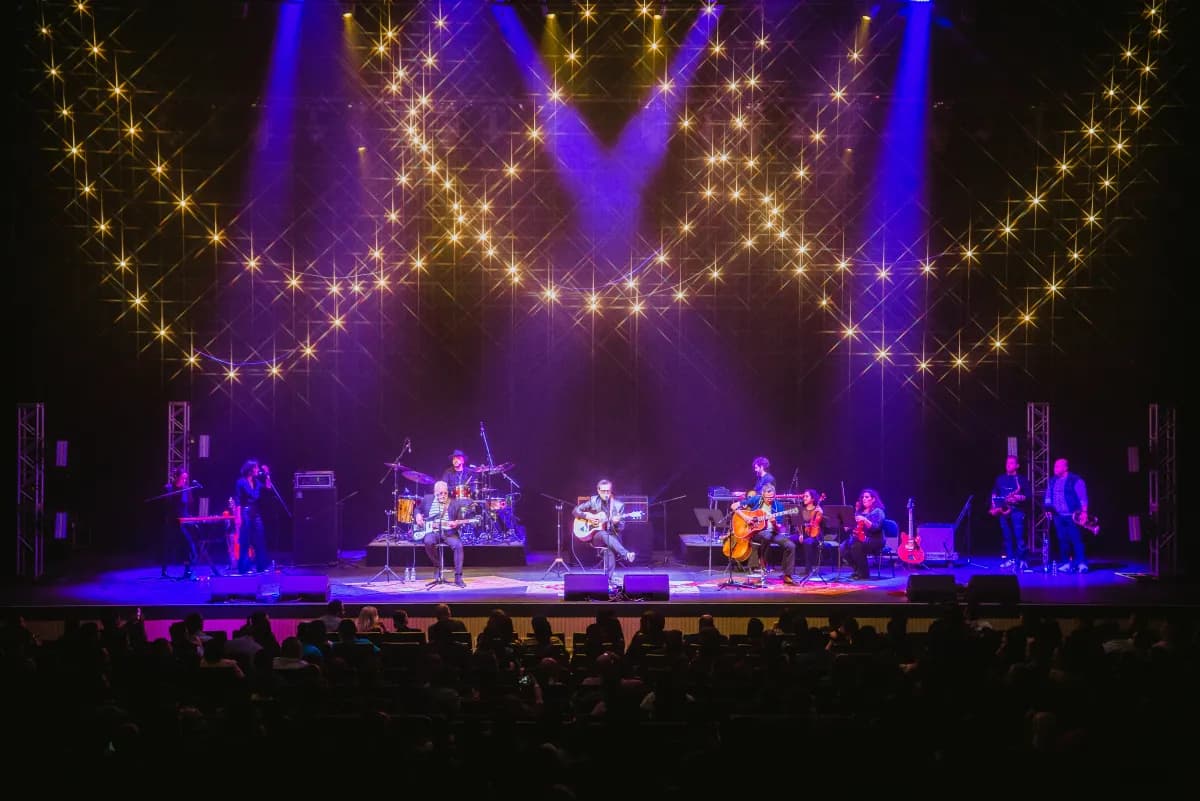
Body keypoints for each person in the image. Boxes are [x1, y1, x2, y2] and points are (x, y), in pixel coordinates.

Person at [730, 482, 797, 583]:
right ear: (762, 495)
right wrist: (746, 517)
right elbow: (734, 506)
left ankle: (787, 575)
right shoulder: (756, 499)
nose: (770, 499)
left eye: (772, 497)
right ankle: (762, 563)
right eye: (767, 497)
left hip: (772, 532)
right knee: (766, 536)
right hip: (756, 532)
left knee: (790, 545)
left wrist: (774, 523)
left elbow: (778, 529)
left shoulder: (779, 506)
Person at [573, 479, 636, 583]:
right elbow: (575, 511)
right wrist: (587, 516)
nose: (606, 493)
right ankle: (625, 554)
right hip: (595, 536)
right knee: (603, 534)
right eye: (603, 491)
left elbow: (621, 528)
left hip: (612, 537)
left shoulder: (619, 505)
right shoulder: (593, 501)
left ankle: (608, 580)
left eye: (608, 491)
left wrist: (615, 524)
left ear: (611, 491)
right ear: (598, 490)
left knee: (609, 548)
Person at [415, 480, 472, 587]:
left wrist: (456, 524)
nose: (443, 495)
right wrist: (418, 515)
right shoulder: (427, 499)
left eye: (445, 493)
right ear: (435, 492)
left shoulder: (454, 503)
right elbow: (417, 509)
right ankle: (437, 565)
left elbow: (460, 519)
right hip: (432, 532)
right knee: (428, 541)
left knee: (458, 545)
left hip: (448, 532)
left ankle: (458, 577)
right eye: (440, 493)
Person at [1043, 457, 1090, 573]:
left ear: (1066, 467)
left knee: (1076, 539)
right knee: (1062, 539)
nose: (1055, 468)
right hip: (1058, 516)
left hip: (1073, 516)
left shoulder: (1075, 480)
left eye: (1058, 466)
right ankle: (1066, 563)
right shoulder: (1052, 481)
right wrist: (1048, 509)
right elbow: (1048, 496)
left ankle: (1082, 563)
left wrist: (1084, 512)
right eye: (1055, 466)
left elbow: (1083, 497)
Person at [991, 455, 1030, 570]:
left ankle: (1022, 560)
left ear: (1017, 466)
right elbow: (994, 492)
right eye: (1007, 462)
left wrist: (1019, 497)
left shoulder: (1022, 479)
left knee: (1019, 537)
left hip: (1017, 511)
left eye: (1012, 463)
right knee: (1007, 537)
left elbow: (1029, 495)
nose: (1008, 465)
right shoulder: (1000, 478)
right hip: (1003, 510)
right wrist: (994, 504)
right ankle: (1010, 559)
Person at [234, 459, 272, 574]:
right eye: (255, 468)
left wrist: (267, 474)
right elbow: (238, 500)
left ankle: (261, 566)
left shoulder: (256, 482)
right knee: (245, 540)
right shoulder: (240, 482)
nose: (257, 470)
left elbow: (268, 487)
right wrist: (238, 516)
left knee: (260, 539)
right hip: (245, 511)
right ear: (250, 470)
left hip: (256, 513)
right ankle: (244, 568)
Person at [843, 488, 885, 580]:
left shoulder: (878, 511)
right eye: (863, 497)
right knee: (843, 547)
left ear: (873, 499)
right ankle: (857, 569)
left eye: (867, 497)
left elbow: (876, 527)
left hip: (875, 539)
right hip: (860, 538)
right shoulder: (859, 512)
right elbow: (856, 526)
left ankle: (864, 573)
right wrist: (849, 525)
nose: (864, 499)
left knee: (856, 546)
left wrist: (865, 520)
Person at [162, 467, 196, 579]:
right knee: (169, 545)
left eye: (186, 478)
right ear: (176, 477)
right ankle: (164, 570)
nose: (184, 480)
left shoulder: (187, 490)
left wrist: (189, 518)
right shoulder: (169, 488)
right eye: (182, 478)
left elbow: (189, 505)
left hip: (184, 522)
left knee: (186, 544)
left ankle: (187, 569)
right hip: (172, 521)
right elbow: (166, 505)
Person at [796, 488, 825, 576]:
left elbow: (822, 523)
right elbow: (798, 524)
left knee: (808, 542)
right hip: (804, 533)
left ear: (812, 499)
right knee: (789, 540)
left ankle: (808, 569)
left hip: (815, 535)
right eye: (804, 496)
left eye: (806, 496)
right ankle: (788, 570)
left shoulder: (818, 509)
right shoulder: (802, 510)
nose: (804, 498)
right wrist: (800, 534)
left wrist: (822, 513)